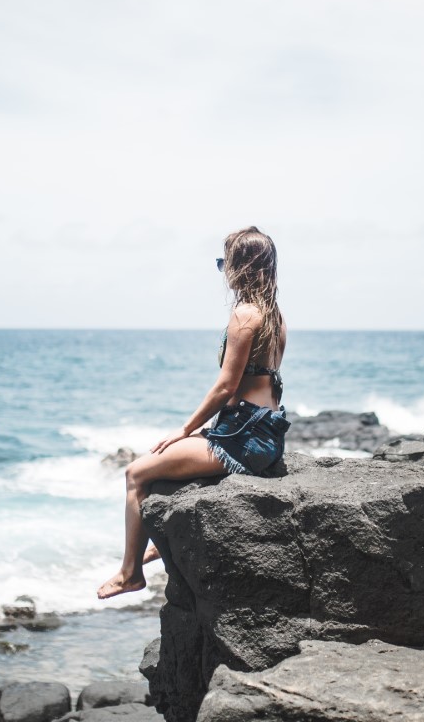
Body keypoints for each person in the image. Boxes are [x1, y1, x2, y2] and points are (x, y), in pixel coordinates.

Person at [96, 226, 290, 600]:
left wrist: (185, 430)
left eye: (224, 262)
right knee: (170, 474)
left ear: (239, 267)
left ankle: (130, 573)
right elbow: (269, 385)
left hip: (241, 438)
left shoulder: (245, 316)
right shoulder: (275, 317)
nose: (223, 271)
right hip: (265, 435)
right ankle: (157, 545)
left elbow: (225, 388)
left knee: (136, 473)